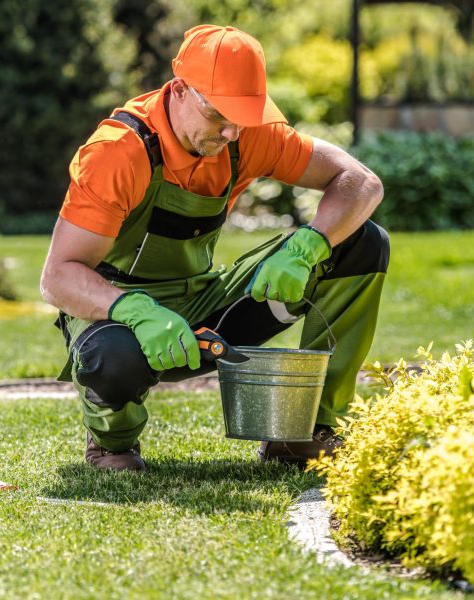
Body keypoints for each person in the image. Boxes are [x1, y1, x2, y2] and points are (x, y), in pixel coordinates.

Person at [40, 24, 388, 472]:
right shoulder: (118, 152)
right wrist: (136, 311)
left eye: (241, 117)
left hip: (207, 305)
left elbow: (361, 182)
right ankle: (113, 444)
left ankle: (307, 433)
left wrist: (309, 245)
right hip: (118, 319)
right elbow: (58, 276)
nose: (230, 133)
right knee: (110, 358)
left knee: (363, 242)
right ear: (181, 89)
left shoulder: (246, 134)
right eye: (219, 115)